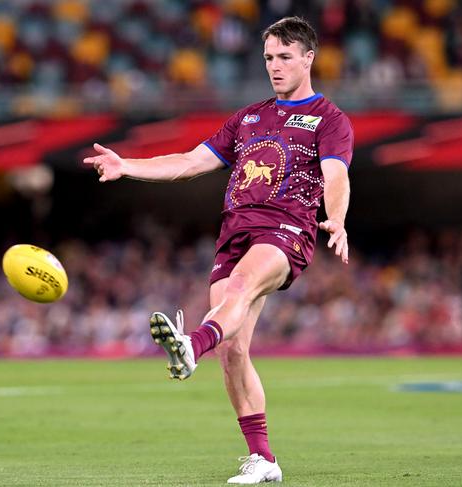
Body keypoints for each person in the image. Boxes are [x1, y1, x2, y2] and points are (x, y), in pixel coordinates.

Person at [84, 16, 353, 484]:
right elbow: (189, 162)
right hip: (234, 233)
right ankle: (264, 459)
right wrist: (126, 165)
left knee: (244, 287)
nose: (274, 65)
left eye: (285, 57)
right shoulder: (249, 117)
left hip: (286, 229)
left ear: (309, 58)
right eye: (269, 57)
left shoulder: (329, 119)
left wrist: (338, 217)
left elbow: (336, 175)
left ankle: (190, 346)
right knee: (233, 350)